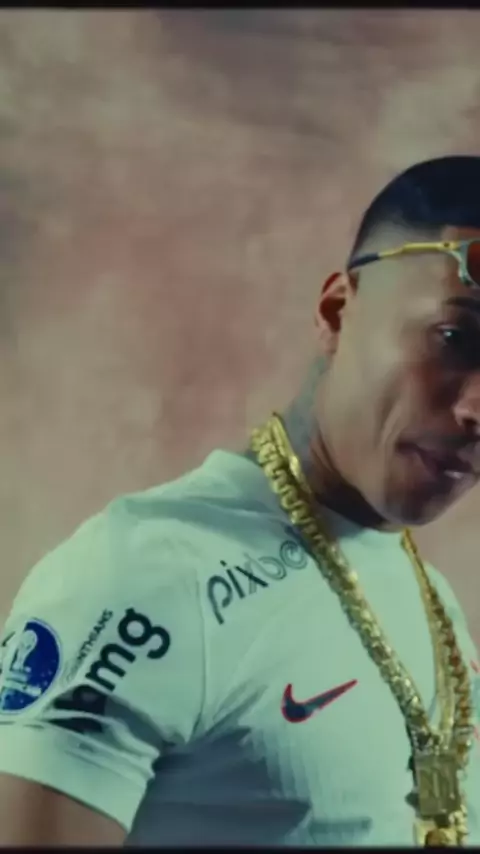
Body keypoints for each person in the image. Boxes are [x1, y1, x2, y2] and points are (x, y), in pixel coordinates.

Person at [0, 156, 480, 848]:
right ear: (337, 312)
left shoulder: (431, 600)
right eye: (455, 338)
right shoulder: (145, 575)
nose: (475, 409)